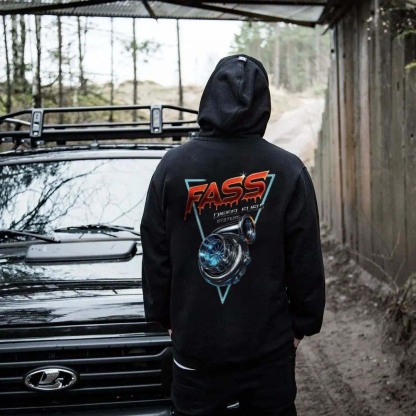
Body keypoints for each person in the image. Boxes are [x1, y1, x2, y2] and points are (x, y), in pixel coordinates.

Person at [140, 54, 325, 416]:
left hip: (197, 348)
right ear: (263, 103)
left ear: (209, 96)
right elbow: (305, 257)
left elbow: (156, 252)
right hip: (268, 349)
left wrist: (165, 318)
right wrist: (301, 326)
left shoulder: (172, 167)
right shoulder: (288, 169)